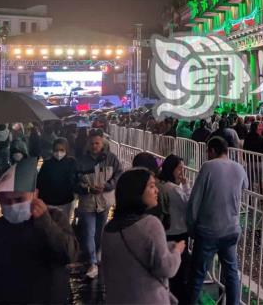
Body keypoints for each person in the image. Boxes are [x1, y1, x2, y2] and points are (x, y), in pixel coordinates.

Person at [0, 158, 79, 304]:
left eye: (19, 199)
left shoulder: (55, 218)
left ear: (35, 194)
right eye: (6, 201)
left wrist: (45, 222)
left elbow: (68, 254)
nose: (12, 205)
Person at [101, 168, 184, 305]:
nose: (156, 190)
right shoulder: (150, 225)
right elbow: (167, 268)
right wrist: (176, 251)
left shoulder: (109, 229)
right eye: (151, 186)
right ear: (136, 192)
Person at [187, 137, 248, 305]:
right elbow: (245, 186)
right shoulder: (239, 168)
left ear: (212, 150)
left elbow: (195, 199)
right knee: (231, 274)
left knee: (197, 275)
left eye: (208, 151)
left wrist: (191, 226)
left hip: (208, 230)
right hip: (231, 229)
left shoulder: (208, 167)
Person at [75, 130, 124, 279]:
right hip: (87, 203)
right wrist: (88, 189)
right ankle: (92, 262)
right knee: (89, 232)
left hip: (104, 202)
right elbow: (74, 181)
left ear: (102, 144)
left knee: (100, 232)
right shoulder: (81, 161)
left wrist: (108, 185)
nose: (94, 146)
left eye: (97, 143)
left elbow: (119, 174)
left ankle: (98, 255)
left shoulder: (111, 159)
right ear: (88, 145)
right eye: (92, 143)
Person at [157, 155, 192, 305]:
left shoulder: (161, 185)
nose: (181, 172)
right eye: (179, 169)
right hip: (177, 232)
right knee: (179, 272)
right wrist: (186, 185)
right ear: (171, 169)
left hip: (167, 231)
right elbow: (188, 204)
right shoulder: (172, 189)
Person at [36, 137, 78, 221]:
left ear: (66, 149)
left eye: (62, 150)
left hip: (66, 202)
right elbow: (40, 182)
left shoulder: (71, 162)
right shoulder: (47, 163)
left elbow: (76, 179)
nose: (58, 152)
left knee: (65, 226)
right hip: (49, 202)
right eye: (56, 150)